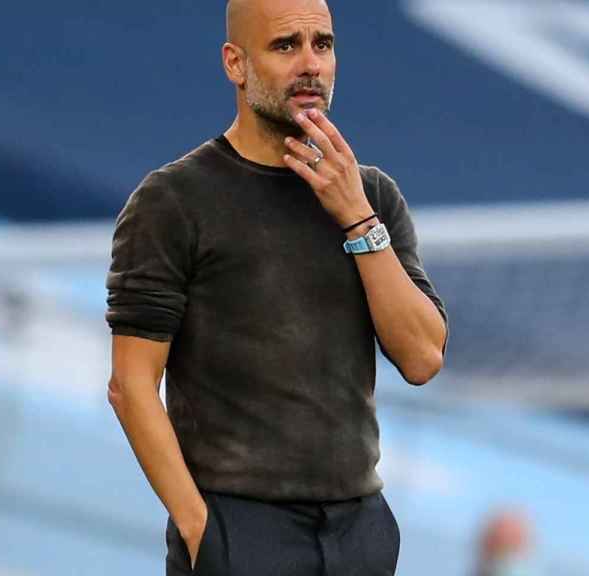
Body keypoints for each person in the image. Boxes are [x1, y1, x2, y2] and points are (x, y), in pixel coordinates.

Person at [105, 0, 447, 574]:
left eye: (324, 45)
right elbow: (131, 384)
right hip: (240, 525)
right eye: (286, 46)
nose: (310, 64)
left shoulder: (373, 197)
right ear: (235, 64)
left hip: (358, 528)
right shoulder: (175, 201)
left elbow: (422, 357)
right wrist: (199, 526)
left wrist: (358, 220)